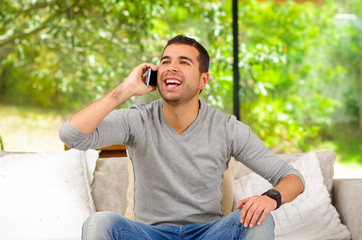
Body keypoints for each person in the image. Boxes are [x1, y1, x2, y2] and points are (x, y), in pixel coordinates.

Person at [59, 35, 304, 240]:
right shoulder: (136, 120)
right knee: (98, 222)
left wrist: (269, 199)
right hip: (150, 234)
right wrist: (126, 89)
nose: (171, 67)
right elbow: (71, 135)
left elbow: (293, 178)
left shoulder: (227, 127)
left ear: (203, 80)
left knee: (260, 221)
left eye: (184, 62)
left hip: (209, 233)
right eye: (165, 61)